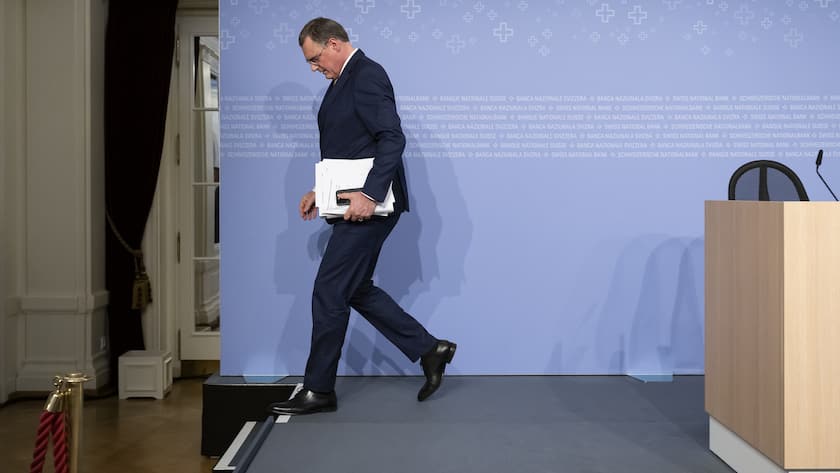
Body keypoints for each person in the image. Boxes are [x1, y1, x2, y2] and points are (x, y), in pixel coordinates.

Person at [268, 17, 457, 416]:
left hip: (371, 208)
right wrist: (322, 193)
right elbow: (351, 149)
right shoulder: (342, 81)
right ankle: (429, 350)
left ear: (334, 43)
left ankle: (319, 389)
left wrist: (370, 194)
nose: (314, 67)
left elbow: (392, 137)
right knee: (353, 289)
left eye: (315, 58)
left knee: (328, 291)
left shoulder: (366, 75)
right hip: (354, 204)